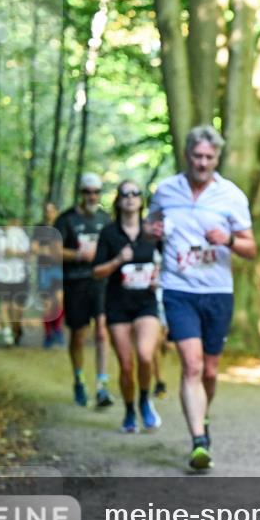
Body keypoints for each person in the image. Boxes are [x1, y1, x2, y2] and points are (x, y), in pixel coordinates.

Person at [147, 125, 256, 471]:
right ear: (187, 155)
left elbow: (251, 249)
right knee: (191, 365)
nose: (203, 163)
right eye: (197, 156)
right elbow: (149, 231)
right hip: (179, 288)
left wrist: (227, 240)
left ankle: (203, 417)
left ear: (217, 158)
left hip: (217, 292)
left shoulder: (232, 196)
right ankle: (198, 441)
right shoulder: (165, 191)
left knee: (209, 370)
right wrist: (154, 233)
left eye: (209, 157)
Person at [93, 180, 163, 433]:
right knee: (126, 364)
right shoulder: (109, 233)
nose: (131, 198)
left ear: (141, 201)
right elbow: (97, 272)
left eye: (136, 194)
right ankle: (129, 409)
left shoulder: (152, 232)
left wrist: (158, 278)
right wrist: (117, 261)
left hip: (146, 304)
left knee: (145, 355)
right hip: (118, 306)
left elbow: (168, 262)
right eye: (126, 194)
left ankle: (145, 400)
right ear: (119, 201)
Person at [54, 173, 115, 408]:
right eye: (88, 192)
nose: (92, 196)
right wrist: (79, 254)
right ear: (81, 193)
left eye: (96, 192)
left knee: (101, 331)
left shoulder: (105, 219)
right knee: (79, 335)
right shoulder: (66, 220)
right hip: (75, 282)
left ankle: (102, 385)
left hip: (101, 283)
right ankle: (79, 379)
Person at [0, 219, 31, 346]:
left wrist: (16, 252)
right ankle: (7, 334)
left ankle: (16, 330)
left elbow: (27, 252)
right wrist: (18, 252)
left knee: (16, 308)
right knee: (4, 305)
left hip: (19, 275)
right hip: (2, 276)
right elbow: (5, 252)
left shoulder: (20, 233)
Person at [34, 201, 65, 348]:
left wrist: (52, 251)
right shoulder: (39, 227)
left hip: (59, 267)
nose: (49, 213)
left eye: (51, 210)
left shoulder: (62, 226)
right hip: (44, 268)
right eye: (46, 210)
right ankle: (48, 335)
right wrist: (47, 251)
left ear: (56, 211)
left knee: (59, 299)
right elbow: (34, 248)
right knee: (47, 302)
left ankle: (57, 328)